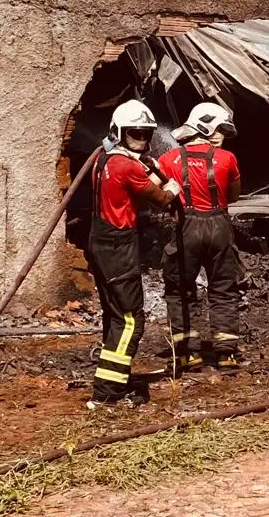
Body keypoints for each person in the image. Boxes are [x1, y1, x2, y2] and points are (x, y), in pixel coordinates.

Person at [89, 99, 181, 406]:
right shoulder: (126, 166)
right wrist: (175, 189)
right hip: (118, 244)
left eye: (145, 134)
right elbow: (161, 198)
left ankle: (112, 378)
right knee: (130, 320)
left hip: (100, 241)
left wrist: (147, 169)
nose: (141, 140)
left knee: (114, 315)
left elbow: (129, 190)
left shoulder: (104, 159)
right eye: (134, 134)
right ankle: (108, 394)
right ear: (119, 132)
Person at [158, 101, 242, 373]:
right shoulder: (228, 159)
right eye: (220, 129)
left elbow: (157, 195)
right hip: (219, 226)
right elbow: (233, 197)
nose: (221, 136)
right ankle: (226, 354)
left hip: (186, 228)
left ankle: (186, 354)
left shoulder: (168, 160)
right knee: (223, 289)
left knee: (180, 291)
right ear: (205, 127)